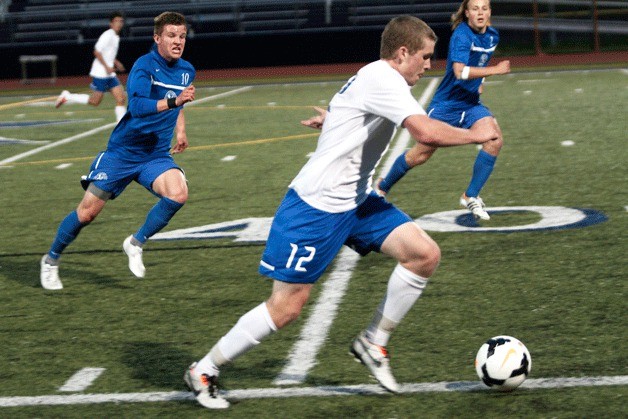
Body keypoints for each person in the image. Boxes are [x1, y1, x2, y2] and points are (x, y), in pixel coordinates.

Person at [183, 15, 498, 409]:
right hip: (316, 207)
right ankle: (204, 370)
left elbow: (351, 110)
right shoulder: (384, 79)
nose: (429, 64)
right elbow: (426, 132)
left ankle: (373, 343)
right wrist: (475, 135)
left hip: (356, 200)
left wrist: (332, 122)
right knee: (286, 308)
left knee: (424, 254)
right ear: (403, 53)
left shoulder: (378, 78)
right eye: (425, 56)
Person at [40, 12, 195, 290]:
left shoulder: (186, 70)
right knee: (87, 213)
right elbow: (137, 107)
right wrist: (174, 102)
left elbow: (179, 101)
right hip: (123, 153)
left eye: (182, 36)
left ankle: (135, 243)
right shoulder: (144, 66)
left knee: (178, 193)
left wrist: (180, 129)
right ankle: (51, 260)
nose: (178, 41)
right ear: (157, 37)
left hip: (155, 155)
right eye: (171, 35)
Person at [375, 0, 510, 220]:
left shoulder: (493, 35)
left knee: (495, 139)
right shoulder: (462, 35)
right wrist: (495, 70)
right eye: (475, 8)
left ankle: (470, 196)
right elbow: (459, 72)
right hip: (447, 104)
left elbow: (480, 61)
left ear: (489, 12)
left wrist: (482, 80)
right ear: (466, 13)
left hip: (471, 103)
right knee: (420, 154)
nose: (480, 13)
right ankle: (382, 187)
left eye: (484, 8)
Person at [55, 11, 127, 123]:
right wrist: (107, 67)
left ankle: (121, 127)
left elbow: (108, 54)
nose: (119, 23)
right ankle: (67, 96)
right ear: (111, 23)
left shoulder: (115, 37)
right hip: (101, 73)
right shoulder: (107, 35)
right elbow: (97, 52)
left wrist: (116, 63)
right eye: (116, 21)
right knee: (95, 101)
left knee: (121, 98)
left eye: (121, 21)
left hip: (109, 74)